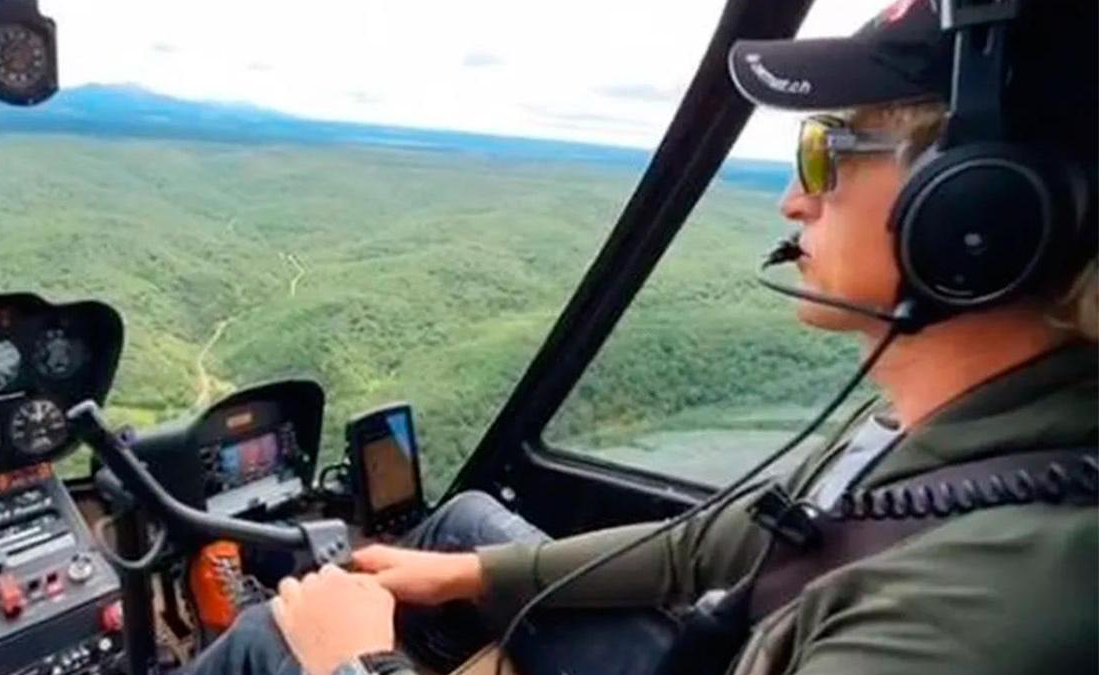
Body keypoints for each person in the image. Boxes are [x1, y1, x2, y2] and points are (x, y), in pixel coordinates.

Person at [181, 1, 1098, 674]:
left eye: (827, 148)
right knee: (458, 530)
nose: (793, 200)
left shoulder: (980, 617)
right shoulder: (930, 429)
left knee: (272, 640)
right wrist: (458, 572)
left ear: (980, 211)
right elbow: (705, 546)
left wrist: (352, 664)